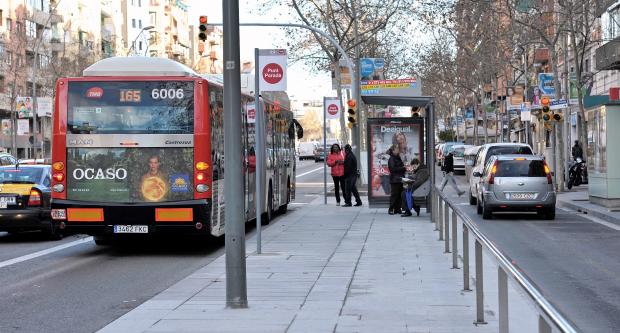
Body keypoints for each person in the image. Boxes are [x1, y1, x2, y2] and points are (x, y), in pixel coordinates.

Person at [387, 145, 406, 215]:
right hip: (395, 180)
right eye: (397, 149)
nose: (398, 150)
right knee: (394, 195)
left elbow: (399, 167)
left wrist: (404, 168)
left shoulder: (397, 157)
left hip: (400, 179)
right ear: (393, 150)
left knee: (399, 195)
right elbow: (392, 169)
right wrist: (403, 168)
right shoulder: (391, 158)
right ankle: (391, 209)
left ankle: (398, 209)